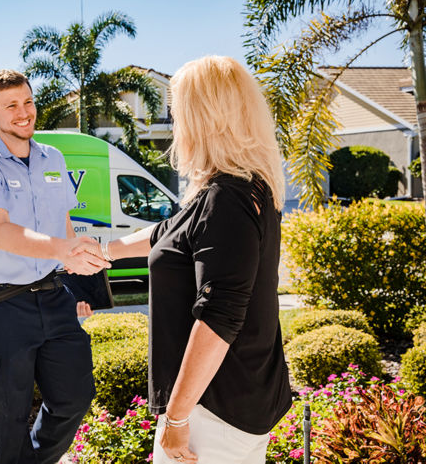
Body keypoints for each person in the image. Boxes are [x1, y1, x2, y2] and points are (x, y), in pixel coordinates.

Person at [72, 56, 292, 463]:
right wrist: (104, 252)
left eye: (179, 114)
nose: (176, 125)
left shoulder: (225, 201)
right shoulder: (248, 188)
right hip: (241, 397)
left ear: (205, 118)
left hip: (214, 411)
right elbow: (168, 233)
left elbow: (219, 318)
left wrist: (176, 419)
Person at [0, 69, 108, 464]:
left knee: (75, 397)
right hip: (3, 303)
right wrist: (64, 249)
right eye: (11, 105)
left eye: (28, 101)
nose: (24, 112)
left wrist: (78, 284)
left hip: (52, 295)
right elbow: (2, 232)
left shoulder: (53, 157)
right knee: (9, 413)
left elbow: (63, 224)